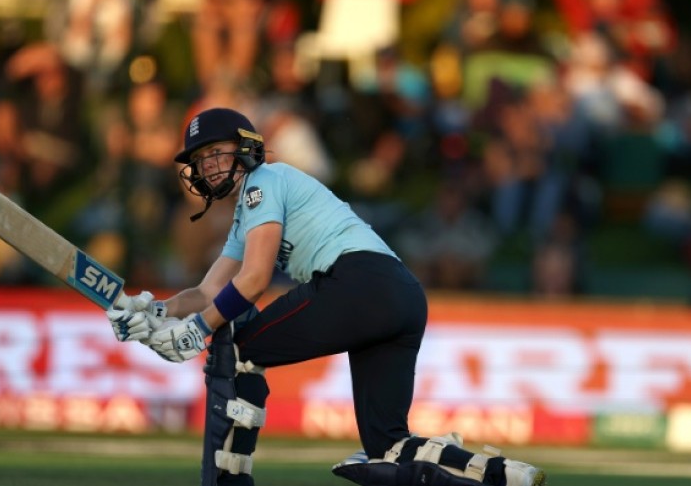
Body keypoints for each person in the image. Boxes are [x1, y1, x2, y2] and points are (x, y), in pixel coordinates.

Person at [105, 107, 547, 486]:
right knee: (387, 446)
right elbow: (208, 290)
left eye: (217, 152)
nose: (209, 166)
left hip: (358, 282)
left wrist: (195, 332)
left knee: (242, 349)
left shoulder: (264, 182)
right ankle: (497, 473)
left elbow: (254, 280)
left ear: (246, 148)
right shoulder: (251, 210)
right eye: (201, 160)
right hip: (401, 296)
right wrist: (155, 309)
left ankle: (228, 479)